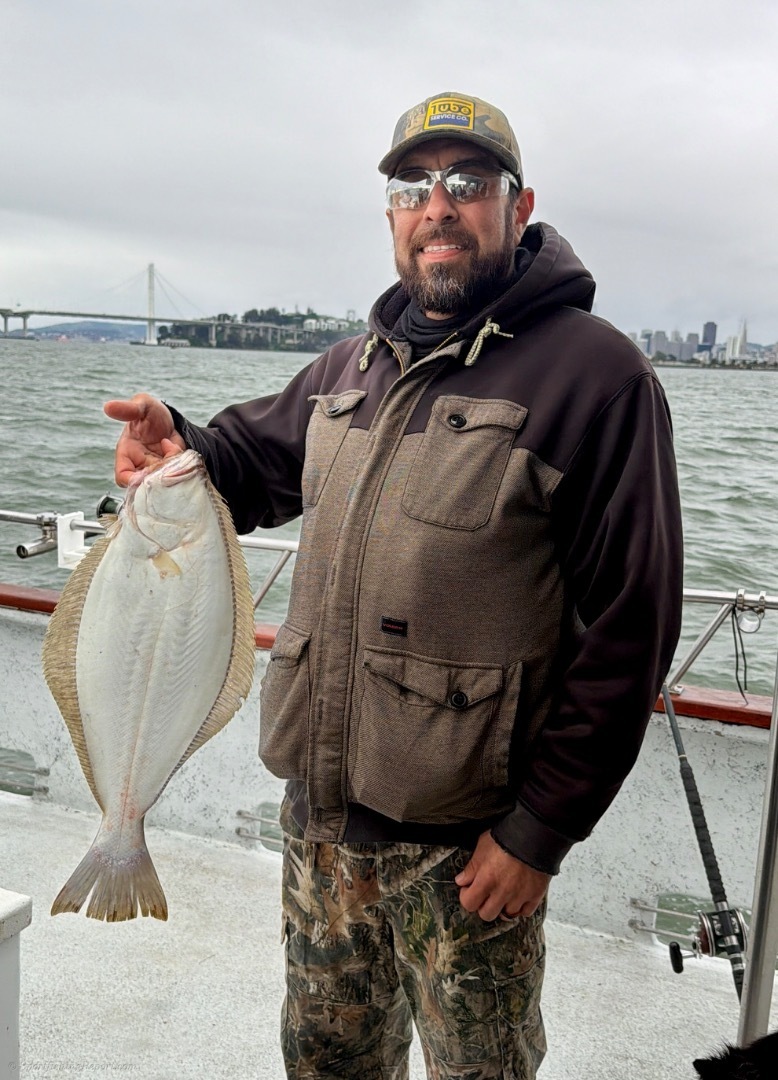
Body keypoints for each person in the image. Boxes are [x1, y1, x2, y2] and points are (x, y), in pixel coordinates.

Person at [106, 91, 683, 1079]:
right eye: (413, 185)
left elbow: (632, 631)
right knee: (324, 1063)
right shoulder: (352, 364)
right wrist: (181, 443)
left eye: (467, 181)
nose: (438, 205)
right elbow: (247, 465)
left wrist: (538, 831)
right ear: (390, 217)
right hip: (320, 832)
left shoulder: (597, 378)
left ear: (518, 202)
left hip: (471, 856)